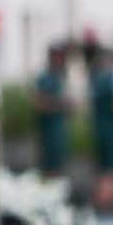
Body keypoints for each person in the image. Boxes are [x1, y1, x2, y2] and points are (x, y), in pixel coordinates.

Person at [88, 46, 113, 209]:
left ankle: (100, 202)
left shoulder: (96, 80)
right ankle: (107, 203)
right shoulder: (112, 80)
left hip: (100, 130)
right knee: (112, 170)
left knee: (103, 169)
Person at [33, 45, 71, 178]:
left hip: (59, 130)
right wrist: (59, 104)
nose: (60, 60)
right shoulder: (44, 78)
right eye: (58, 56)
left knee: (58, 165)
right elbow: (39, 104)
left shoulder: (60, 77)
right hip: (48, 131)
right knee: (48, 165)